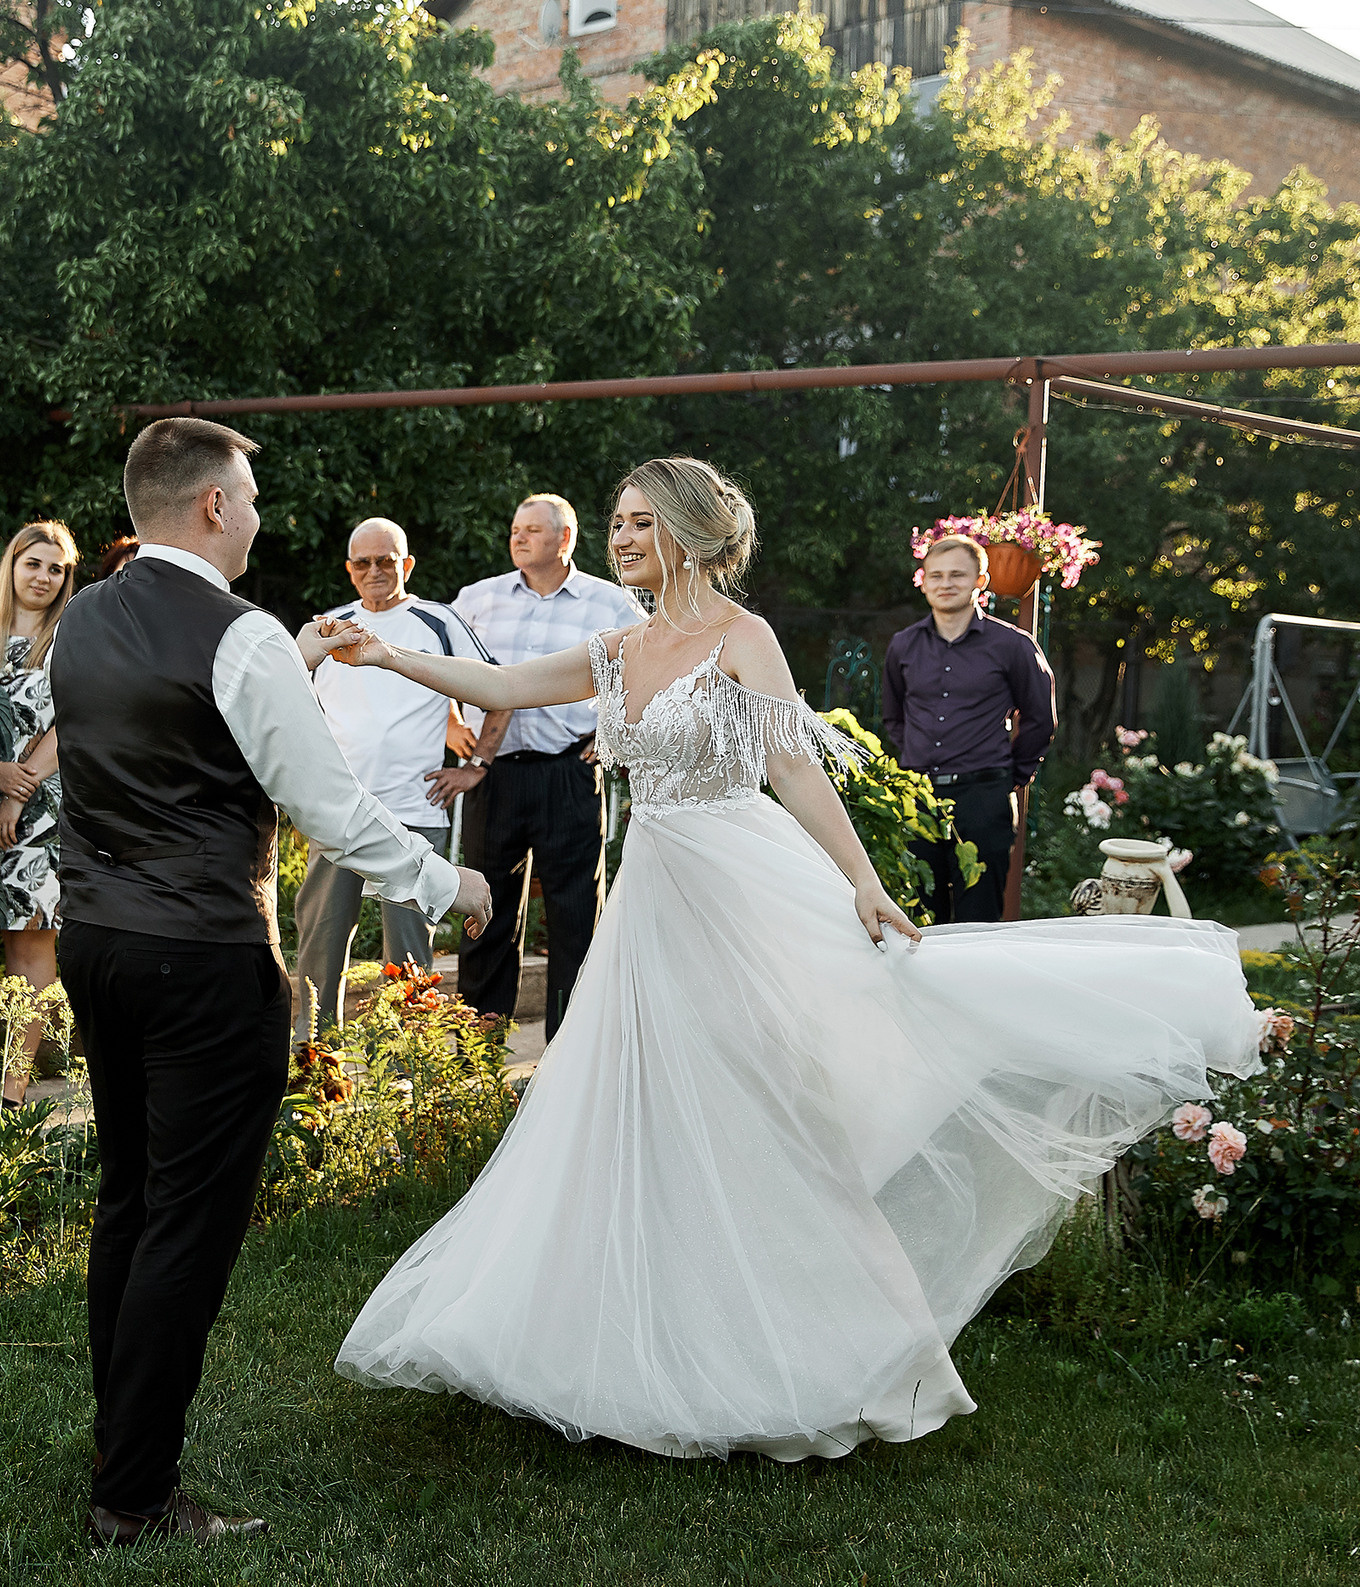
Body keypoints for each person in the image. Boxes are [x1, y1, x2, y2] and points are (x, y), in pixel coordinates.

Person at [322, 457, 1260, 1463]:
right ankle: (624, 1342)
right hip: (656, 899)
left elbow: (789, 764)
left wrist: (859, 877)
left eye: (641, 521)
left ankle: (823, 1345)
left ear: (688, 529)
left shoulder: (742, 637)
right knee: (636, 1105)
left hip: (736, 883)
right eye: (617, 522)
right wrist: (387, 659)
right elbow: (502, 683)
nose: (623, 537)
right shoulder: (617, 646)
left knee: (758, 1100)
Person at [52, 418, 492, 1545]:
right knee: (186, 1226)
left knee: (130, 1202)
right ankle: (137, 1498)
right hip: (200, 953)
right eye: (246, 497)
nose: (256, 515)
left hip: (96, 941)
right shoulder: (239, 634)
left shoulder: (81, 617)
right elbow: (331, 809)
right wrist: (450, 885)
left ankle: (120, 1451)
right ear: (208, 506)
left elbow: (154, 740)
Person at [448, 494, 643, 1039]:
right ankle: (477, 1046)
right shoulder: (477, 599)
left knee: (575, 911)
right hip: (495, 773)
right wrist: (449, 720)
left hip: (569, 771)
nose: (519, 537)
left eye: (533, 529)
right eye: (515, 528)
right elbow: (439, 660)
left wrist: (614, 733)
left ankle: (570, 1045)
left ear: (565, 540)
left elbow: (648, 673)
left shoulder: (612, 604)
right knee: (484, 908)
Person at [291, 517, 493, 1040]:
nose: (376, 571)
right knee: (321, 946)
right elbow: (293, 710)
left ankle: (409, 1077)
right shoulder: (327, 628)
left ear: (407, 564)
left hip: (413, 810)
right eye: (364, 562)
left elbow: (497, 690)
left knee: (408, 957)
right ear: (350, 570)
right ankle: (315, 1074)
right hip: (338, 814)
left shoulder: (437, 621)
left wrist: (476, 767)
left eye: (387, 560)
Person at [0, 522, 78, 1111]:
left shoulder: (74, 639)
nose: (44, 578)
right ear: (12, 565)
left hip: (41, 806)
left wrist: (17, 790)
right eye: (34, 564)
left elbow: (72, 720)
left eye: (56, 569)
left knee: (29, 948)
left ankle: (13, 1090)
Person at [879, 534, 1056, 923]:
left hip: (983, 798)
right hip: (918, 798)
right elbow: (893, 715)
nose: (945, 584)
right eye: (936, 575)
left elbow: (1040, 718)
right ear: (923, 581)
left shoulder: (1012, 645)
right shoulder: (903, 646)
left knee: (979, 918)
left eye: (957, 575)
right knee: (918, 916)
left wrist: (1009, 777)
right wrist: (915, 759)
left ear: (981, 581)